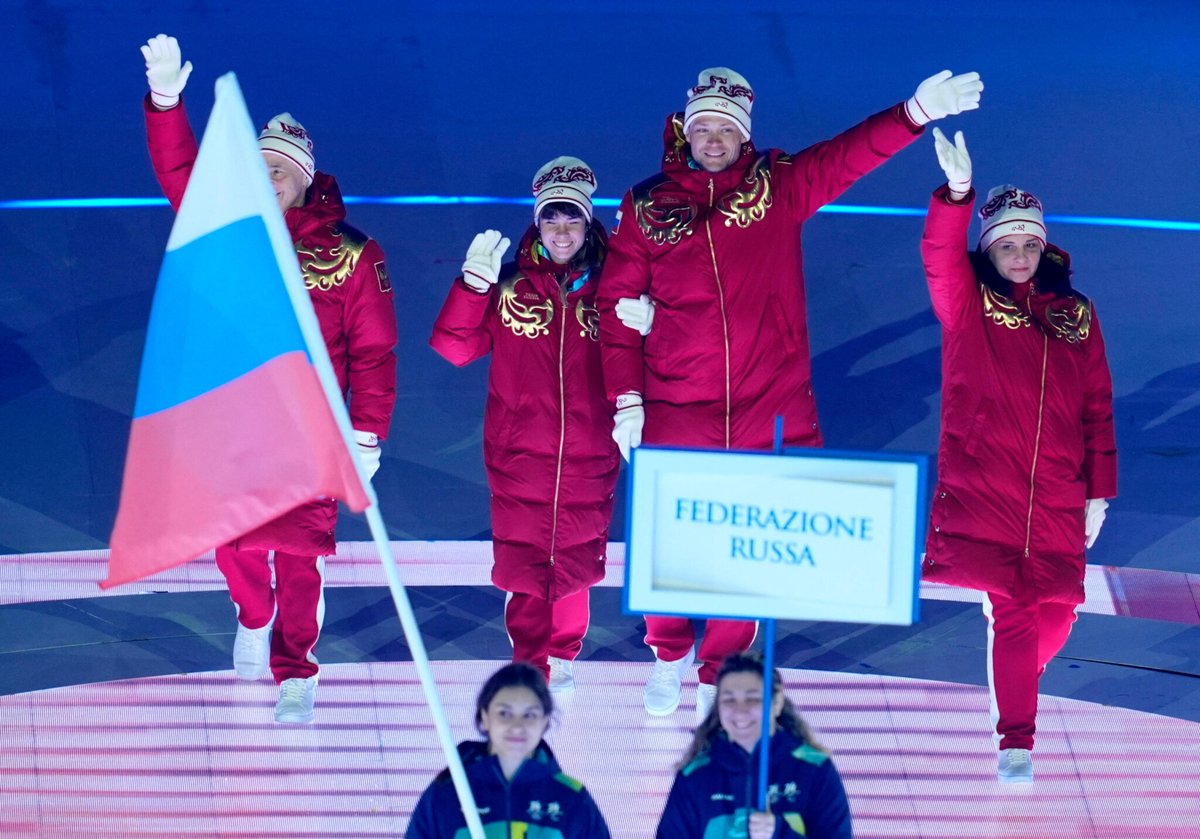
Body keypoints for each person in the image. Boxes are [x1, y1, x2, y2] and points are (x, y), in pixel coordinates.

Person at [596, 66, 984, 721]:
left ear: (743, 133)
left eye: (726, 127)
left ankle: (721, 672)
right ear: (686, 132)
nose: (714, 137)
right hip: (674, 404)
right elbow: (613, 303)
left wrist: (914, 111)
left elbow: (848, 154)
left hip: (764, 404)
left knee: (742, 551)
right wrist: (627, 398)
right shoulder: (645, 206)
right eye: (704, 127)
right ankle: (668, 654)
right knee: (670, 543)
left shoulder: (777, 185)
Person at [139, 34, 398, 724]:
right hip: (227, 421)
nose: (267, 178)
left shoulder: (352, 255)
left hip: (306, 433)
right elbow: (178, 171)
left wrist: (367, 433)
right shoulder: (224, 226)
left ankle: (297, 670)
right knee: (234, 548)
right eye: (257, 168)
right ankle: (252, 616)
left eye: (279, 171)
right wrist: (166, 101)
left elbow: (373, 352)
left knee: (299, 556)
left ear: (306, 179)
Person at [920, 128, 1117, 783]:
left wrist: (1099, 489)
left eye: (1030, 242)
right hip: (989, 489)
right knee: (1016, 609)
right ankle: (1017, 742)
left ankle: (1016, 678)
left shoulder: (1077, 316)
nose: (1022, 254)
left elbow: (1097, 406)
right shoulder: (969, 308)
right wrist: (955, 195)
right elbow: (938, 257)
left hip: (1059, 493)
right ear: (989, 249)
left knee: (1056, 616)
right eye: (1008, 243)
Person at [431, 158, 647, 695]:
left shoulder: (617, 285)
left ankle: (564, 652)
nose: (562, 233)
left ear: (588, 221)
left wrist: (655, 319)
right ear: (537, 224)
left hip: (591, 448)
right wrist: (470, 287)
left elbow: (657, 351)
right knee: (525, 562)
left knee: (576, 556)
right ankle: (530, 661)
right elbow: (454, 348)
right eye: (552, 221)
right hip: (519, 451)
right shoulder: (507, 288)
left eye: (572, 220)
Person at [656, 653, 852, 838]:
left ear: (776, 703)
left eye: (752, 699)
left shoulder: (814, 769)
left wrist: (779, 833)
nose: (740, 711)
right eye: (729, 699)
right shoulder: (695, 775)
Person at [407, 662, 611, 837]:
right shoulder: (448, 793)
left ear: (545, 721)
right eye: (504, 713)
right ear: (485, 717)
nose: (517, 726)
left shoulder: (571, 798)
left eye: (529, 715)